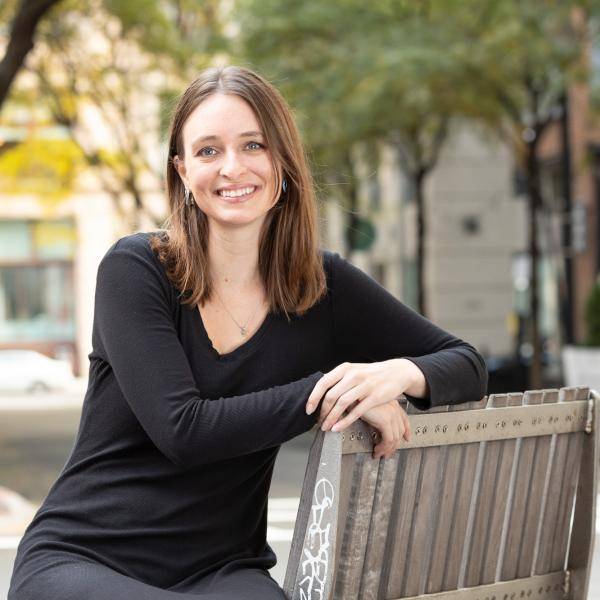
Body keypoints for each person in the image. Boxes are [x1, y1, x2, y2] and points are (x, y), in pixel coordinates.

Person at [7, 65, 488, 599]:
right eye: (208, 151)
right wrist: (325, 389)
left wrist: (392, 375)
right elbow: (183, 431)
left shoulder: (322, 286)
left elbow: (465, 363)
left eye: (253, 145)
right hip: (87, 558)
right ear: (183, 171)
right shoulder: (136, 269)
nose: (231, 167)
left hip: (221, 570)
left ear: (281, 162)